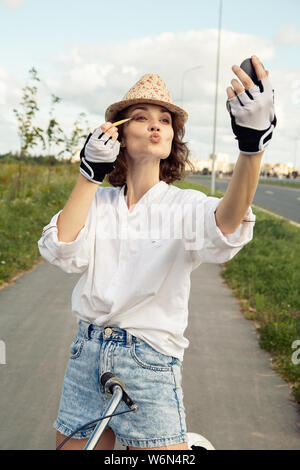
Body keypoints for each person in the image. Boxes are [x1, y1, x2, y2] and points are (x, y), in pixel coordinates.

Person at [37, 55, 276, 450]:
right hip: (86, 354)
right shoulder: (98, 203)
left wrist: (252, 147)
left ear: (171, 138)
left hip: (147, 362)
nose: (155, 124)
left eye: (165, 120)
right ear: (117, 134)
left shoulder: (184, 206)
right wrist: (88, 175)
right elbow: (61, 251)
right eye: (141, 116)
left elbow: (227, 226)